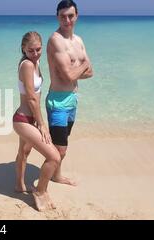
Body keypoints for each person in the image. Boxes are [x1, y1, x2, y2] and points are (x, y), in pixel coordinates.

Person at [46, 0, 93, 186]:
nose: (67, 20)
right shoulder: (55, 40)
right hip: (58, 101)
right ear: (57, 17)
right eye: (63, 16)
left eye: (70, 16)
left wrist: (76, 70)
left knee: (62, 144)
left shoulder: (79, 41)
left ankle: (56, 175)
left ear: (77, 16)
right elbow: (67, 77)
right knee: (60, 149)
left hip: (73, 99)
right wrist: (82, 65)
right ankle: (42, 187)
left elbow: (91, 73)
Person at [13, 31, 61, 211]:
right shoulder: (26, 64)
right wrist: (41, 124)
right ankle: (40, 192)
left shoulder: (36, 61)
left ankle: (19, 185)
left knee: (24, 152)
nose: (35, 53)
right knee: (54, 156)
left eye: (38, 49)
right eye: (30, 50)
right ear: (23, 49)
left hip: (29, 119)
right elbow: (32, 98)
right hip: (23, 120)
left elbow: (38, 89)